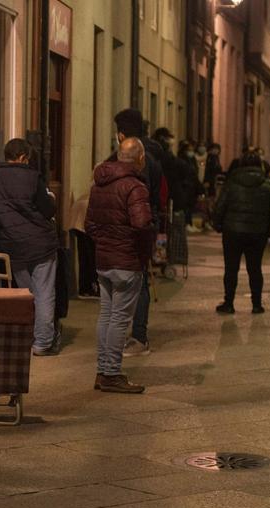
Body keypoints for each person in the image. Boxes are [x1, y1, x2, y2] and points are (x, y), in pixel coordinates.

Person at [86, 138, 154, 394]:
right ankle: (112, 373)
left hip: (104, 259)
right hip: (126, 260)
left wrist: (105, 242)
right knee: (119, 318)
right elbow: (141, 224)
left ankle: (103, 370)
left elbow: (89, 225)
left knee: (106, 314)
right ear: (139, 158)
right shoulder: (135, 187)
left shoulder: (99, 184)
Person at [0, 138, 60, 356]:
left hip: (11, 245)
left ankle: (24, 337)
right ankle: (43, 342)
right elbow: (47, 210)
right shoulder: (32, 178)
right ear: (23, 157)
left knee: (25, 293)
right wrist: (51, 199)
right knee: (44, 292)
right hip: (40, 244)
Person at [111, 108, 163, 357]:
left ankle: (126, 336)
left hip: (124, 227)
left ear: (121, 134)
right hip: (144, 225)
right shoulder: (154, 158)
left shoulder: (116, 160)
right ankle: (138, 335)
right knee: (139, 280)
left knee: (120, 283)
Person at [212, 155, 270, 315]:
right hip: (258, 233)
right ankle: (256, 304)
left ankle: (228, 303)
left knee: (231, 268)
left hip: (232, 231)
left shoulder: (231, 184)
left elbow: (219, 207)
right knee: (255, 268)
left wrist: (218, 225)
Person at [173, 140, 202, 234]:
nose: (191, 151)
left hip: (191, 186)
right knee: (186, 206)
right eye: (189, 150)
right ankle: (186, 223)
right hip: (186, 186)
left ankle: (189, 223)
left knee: (190, 206)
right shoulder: (182, 160)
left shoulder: (191, 159)